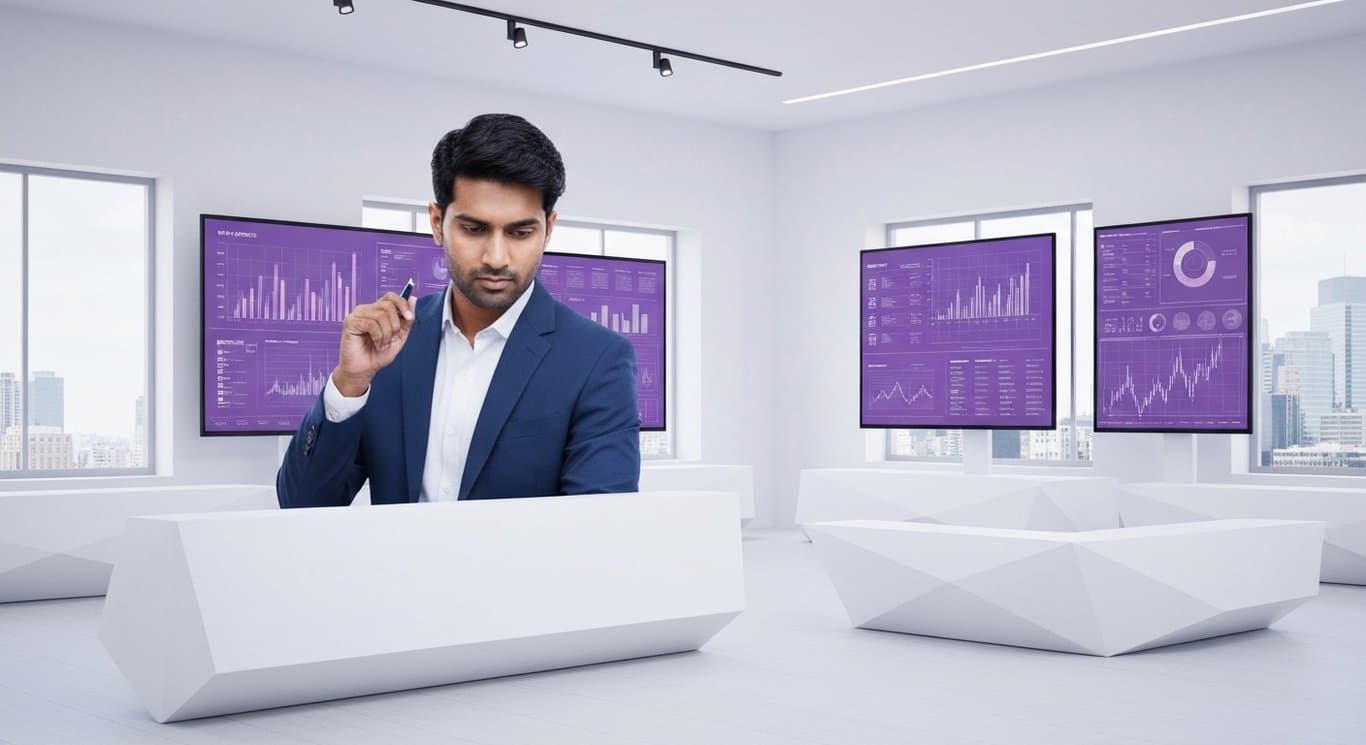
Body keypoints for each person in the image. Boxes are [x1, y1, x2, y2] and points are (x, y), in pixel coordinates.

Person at [277, 113, 641, 507]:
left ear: (548, 228)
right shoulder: (390, 346)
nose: (496, 257)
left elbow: (600, 529)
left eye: (520, 233)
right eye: (474, 229)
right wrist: (349, 384)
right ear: (437, 222)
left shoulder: (597, 359)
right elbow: (302, 505)